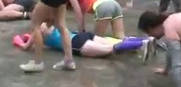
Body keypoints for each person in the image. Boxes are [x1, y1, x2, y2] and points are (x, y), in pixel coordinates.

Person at [13, 22, 156, 63]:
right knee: (110, 43)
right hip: (81, 35)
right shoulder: (51, 22)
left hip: (76, 44)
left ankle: (140, 44)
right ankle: (146, 40)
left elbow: (26, 47)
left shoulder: (37, 31)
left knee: (110, 49)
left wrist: (19, 41)